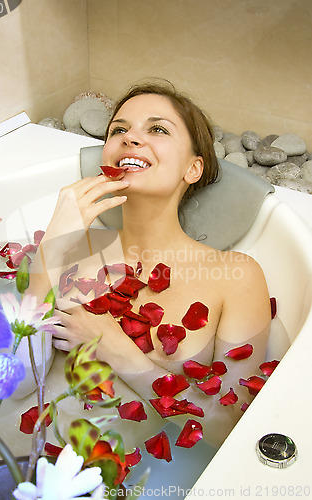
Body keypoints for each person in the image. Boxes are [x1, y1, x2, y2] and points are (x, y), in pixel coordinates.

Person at [27, 81, 271, 448]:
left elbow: (229, 433)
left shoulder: (234, 275)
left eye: (157, 129)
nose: (130, 139)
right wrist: (51, 249)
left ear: (193, 168)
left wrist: (119, 351)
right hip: (6, 461)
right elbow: (12, 387)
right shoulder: (69, 249)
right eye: (119, 130)